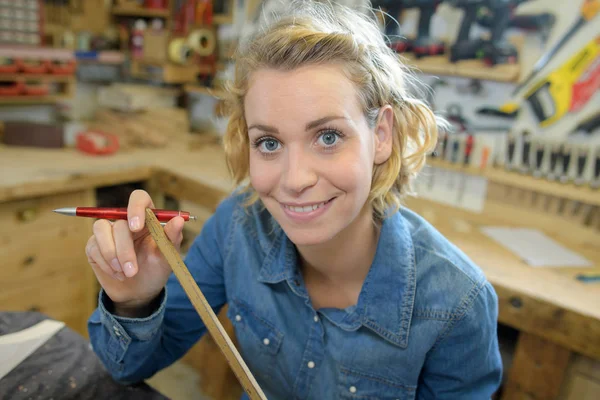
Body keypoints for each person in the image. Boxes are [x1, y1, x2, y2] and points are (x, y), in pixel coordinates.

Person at [85, 1, 503, 398]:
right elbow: (127, 368)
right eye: (269, 142)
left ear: (381, 136)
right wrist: (134, 300)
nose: (295, 179)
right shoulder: (237, 227)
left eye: (328, 136)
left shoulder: (457, 303)